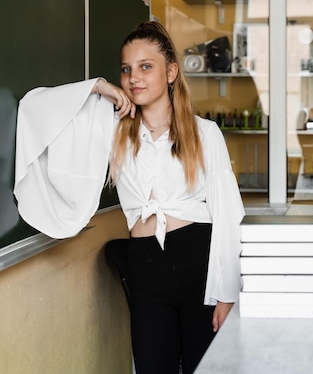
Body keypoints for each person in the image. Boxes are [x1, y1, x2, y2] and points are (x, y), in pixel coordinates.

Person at [101, 21, 245, 374]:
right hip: (146, 266)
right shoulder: (112, 132)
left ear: (171, 72)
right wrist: (99, 88)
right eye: (126, 69)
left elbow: (229, 216)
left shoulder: (205, 133)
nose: (134, 77)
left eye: (145, 66)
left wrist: (228, 295)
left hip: (200, 262)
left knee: (205, 367)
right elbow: (43, 108)